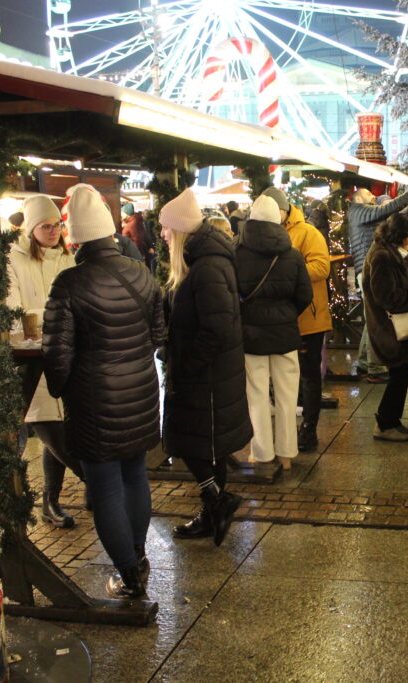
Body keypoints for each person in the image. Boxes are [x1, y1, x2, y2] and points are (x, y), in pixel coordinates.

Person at [43, 184, 164, 599]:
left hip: (94, 401)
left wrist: (60, 390)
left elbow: (57, 355)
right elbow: (158, 334)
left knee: (106, 486)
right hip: (141, 392)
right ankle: (138, 557)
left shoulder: (69, 283)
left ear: (75, 235)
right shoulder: (142, 273)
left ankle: (128, 575)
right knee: (135, 476)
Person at [160, 189, 252, 546]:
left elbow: (217, 327)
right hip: (209, 373)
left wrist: (188, 365)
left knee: (191, 442)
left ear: (181, 230)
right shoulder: (202, 262)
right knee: (207, 446)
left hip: (206, 376)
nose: (163, 234)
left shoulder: (207, 266)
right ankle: (213, 510)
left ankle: (217, 501)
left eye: (167, 228)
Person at [7, 195, 86, 528]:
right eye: (46, 226)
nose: (54, 231)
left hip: (66, 359)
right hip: (31, 363)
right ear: (30, 228)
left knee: (62, 427)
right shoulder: (12, 259)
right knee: (53, 431)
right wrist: (56, 317)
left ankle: (50, 502)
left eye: (57, 225)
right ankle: (98, 484)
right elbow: (14, 313)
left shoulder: (68, 258)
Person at [236, 195, 313, 470]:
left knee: (256, 396)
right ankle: (287, 453)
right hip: (285, 335)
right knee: (287, 396)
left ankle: (261, 453)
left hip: (250, 336)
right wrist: (287, 314)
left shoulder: (236, 253)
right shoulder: (292, 254)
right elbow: (305, 295)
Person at [261, 188, 332, 454]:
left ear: (284, 210)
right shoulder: (266, 233)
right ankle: (288, 428)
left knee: (310, 374)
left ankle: (309, 429)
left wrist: (289, 274)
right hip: (279, 317)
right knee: (285, 375)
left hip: (308, 316)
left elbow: (322, 267)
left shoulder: (307, 232)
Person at [349, 178, 408, 381]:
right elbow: (387, 213)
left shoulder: (387, 244)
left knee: (372, 319)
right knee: (375, 318)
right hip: (368, 270)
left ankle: (366, 363)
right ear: (357, 199)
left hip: (371, 268)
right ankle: (374, 367)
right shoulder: (358, 211)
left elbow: (398, 219)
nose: (373, 197)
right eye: (369, 194)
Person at [363, 213, 408, 441]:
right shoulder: (382, 256)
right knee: (398, 375)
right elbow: (388, 297)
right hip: (388, 327)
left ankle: (392, 421)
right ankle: (384, 424)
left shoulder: (388, 252)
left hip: (390, 326)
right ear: (400, 236)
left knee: (402, 373)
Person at [122, 202, 153, 268]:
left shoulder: (132, 224)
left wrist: (137, 256)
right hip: (135, 254)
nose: (121, 215)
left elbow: (137, 240)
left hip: (134, 256)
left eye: (123, 213)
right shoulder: (134, 222)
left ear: (127, 214)